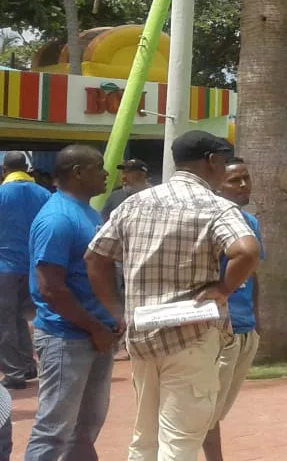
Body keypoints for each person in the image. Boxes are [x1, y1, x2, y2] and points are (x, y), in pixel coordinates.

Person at [85, 130, 261, 461]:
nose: (224, 170)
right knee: (180, 442)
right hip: (191, 336)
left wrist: (115, 310)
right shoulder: (216, 207)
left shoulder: (134, 202)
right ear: (211, 162)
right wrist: (223, 289)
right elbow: (246, 251)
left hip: (142, 334)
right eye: (223, 163)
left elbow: (95, 257)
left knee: (145, 437)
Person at [25, 145, 118, 460]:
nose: (107, 173)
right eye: (99, 167)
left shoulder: (88, 213)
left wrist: (110, 322)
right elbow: (51, 288)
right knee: (54, 430)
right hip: (66, 338)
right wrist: (95, 328)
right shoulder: (57, 218)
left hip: (95, 336)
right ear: (78, 172)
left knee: (87, 425)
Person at [203, 158, 265, 461]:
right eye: (234, 180)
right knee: (206, 412)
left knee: (217, 411)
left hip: (245, 329)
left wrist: (256, 320)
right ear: (217, 185)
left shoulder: (250, 223)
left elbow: (254, 272)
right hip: (218, 331)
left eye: (246, 178)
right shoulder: (208, 221)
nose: (243, 185)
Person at [0, 151, 48, 390]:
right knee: (25, 317)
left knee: (5, 321)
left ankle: (13, 372)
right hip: (35, 266)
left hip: (5, 267)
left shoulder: (1, 193)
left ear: (4, 169)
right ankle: (29, 365)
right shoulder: (44, 194)